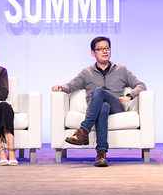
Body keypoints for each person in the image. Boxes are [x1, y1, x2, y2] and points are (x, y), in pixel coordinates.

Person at [52, 36, 146, 167]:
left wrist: (129, 96)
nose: (105, 51)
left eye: (107, 48)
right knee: (103, 107)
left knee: (98, 92)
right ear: (93, 53)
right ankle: (101, 154)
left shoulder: (121, 70)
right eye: (100, 49)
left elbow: (141, 85)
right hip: (97, 108)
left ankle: (84, 131)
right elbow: (71, 86)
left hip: (116, 107)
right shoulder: (87, 73)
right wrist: (60, 88)